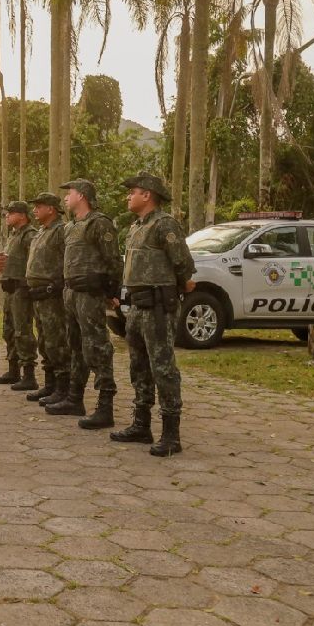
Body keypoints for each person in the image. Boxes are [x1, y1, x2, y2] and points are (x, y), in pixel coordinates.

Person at [109, 172, 196, 456]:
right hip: (136, 307)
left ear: (147, 194)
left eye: (132, 191)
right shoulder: (136, 227)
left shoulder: (164, 224)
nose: (128, 196)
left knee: (163, 368)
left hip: (158, 307)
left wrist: (182, 284)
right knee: (138, 366)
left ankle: (171, 435)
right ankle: (141, 424)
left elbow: (182, 261)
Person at [57, 178, 123, 427]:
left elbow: (113, 261)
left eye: (70, 192)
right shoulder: (71, 226)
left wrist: (109, 289)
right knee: (75, 346)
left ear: (82, 196)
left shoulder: (99, 223)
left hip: (89, 295)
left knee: (97, 347)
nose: (66, 197)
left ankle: (105, 407)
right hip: (71, 293)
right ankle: (75, 398)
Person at [24, 192, 72, 413]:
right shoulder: (42, 232)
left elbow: (67, 263)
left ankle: (63, 388)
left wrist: (57, 285)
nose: (35, 210)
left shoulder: (60, 231)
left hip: (52, 295)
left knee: (57, 342)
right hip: (38, 295)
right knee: (44, 340)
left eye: (39, 206)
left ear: (51, 209)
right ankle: (51, 385)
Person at [0, 201, 39, 391]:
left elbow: (34, 262)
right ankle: (13, 370)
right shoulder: (13, 235)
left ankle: (29, 374)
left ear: (21, 215)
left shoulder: (30, 235)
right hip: (10, 288)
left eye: (10, 213)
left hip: (22, 288)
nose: (6, 217)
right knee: (9, 329)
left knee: (22, 331)